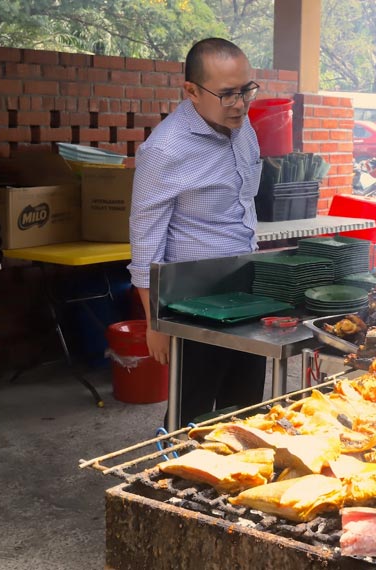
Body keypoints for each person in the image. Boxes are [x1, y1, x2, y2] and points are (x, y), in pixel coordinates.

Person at [128, 38, 266, 427]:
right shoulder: (165, 150)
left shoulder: (242, 127)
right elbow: (145, 242)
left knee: (246, 406)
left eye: (246, 91)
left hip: (245, 287)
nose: (240, 104)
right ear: (191, 91)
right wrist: (155, 322)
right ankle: (172, 464)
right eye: (228, 94)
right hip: (192, 300)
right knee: (193, 411)